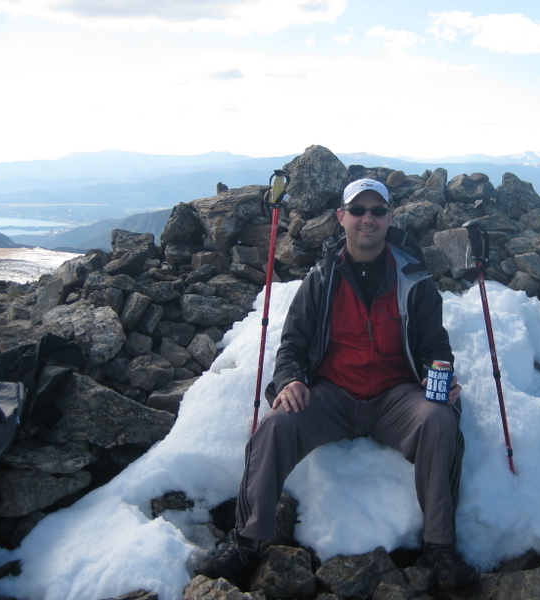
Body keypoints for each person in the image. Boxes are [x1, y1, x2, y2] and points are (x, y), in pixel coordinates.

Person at [195, 178, 475, 589]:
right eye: (358, 210)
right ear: (341, 217)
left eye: (377, 211)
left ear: (389, 217)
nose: (368, 219)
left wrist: (442, 376)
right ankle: (247, 540)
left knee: (439, 420)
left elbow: (434, 342)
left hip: (397, 397)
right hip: (333, 395)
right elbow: (293, 343)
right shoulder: (322, 279)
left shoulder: (414, 281)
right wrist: (290, 380)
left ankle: (439, 546)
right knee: (276, 425)